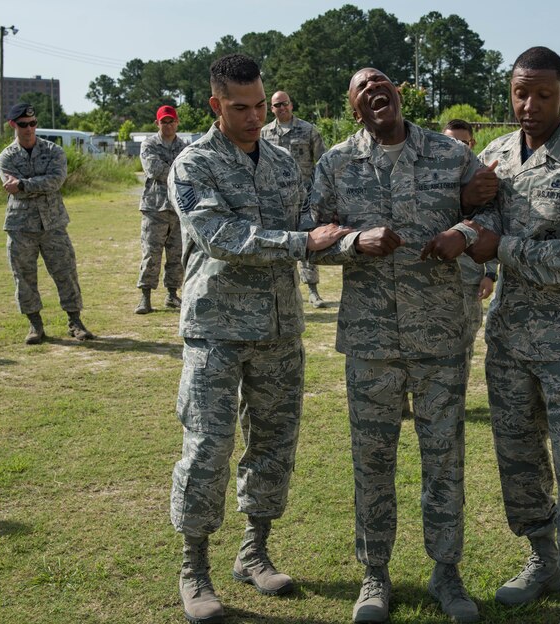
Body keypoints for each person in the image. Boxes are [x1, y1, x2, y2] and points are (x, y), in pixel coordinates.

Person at [166, 54, 352, 624]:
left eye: (258, 104)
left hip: (277, 328)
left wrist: (356, 242)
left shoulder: (281, 162)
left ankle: (254, 550)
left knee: (274, 443)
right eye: (241, 108)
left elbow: (312, 227)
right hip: (216, 329)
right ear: (215, 105)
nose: (254, 117)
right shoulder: (193, 164)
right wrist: (304, 243)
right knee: (209, 446)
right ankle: (194, 566)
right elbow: (222, 236)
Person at [308, 67, 497, 624]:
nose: (373, 90)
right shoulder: (335, 163)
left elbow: (488, 211)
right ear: (354, 107)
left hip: (441, 336)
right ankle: (375, 574)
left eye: (380, 82)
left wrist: (461, 234)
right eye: (361, 87)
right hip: (371, 342)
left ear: (398, 94)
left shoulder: (448, 153)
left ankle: (447, 571)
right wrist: (351, 241)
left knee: (445, 459)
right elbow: (310, 236)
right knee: (372, 461)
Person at [465, 46, 560, 624]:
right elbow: (479, 224)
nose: (528, 106)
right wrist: (471, 229)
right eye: (519, 93)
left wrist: (500, 249)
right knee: (518, 455)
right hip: (508, 335)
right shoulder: (496, 155)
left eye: (542, 95)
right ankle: (543, 557)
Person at [0, 102, 95, 345]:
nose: (29, 129)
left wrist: (23, 184)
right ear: (13, 125)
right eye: (23, 125)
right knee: (24, 276)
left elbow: (56, 181)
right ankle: (35, 325)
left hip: (53, 224)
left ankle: (75, 321)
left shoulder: (54, 151)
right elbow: (13, 187)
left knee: (66, 273)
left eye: (32, 124)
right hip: (21, 227)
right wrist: (26, 186)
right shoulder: (6, 157)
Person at [442, 120, 499, 382]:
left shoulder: (481, 177)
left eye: (462, 142)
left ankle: (458, 396)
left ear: (472, 144)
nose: (456, 147)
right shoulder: (432, 175)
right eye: (450, 141)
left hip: (469, 276)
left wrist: (490, 274)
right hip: (435, 276)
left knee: (465, 340)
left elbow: (493, 226)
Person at [260, 90, 329, 308]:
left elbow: (323, 162)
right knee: (277, 244)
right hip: (274, 200)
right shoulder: (264, 133)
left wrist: (318, 192)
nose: (281, 108)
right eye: (277, 105)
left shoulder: (308, 131)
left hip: (303, 199)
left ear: (291, 105)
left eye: (285, 104)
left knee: (308, 242)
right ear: (271, 109)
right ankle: (280, 293)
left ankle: (313, 290)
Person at [134, 105, 186, 314]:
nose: (168, 124)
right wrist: (177, 169)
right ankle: (145, 297)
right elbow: (153, 169)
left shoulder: (184, 146)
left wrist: (175, 169)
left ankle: (172, 295)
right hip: (155, 207)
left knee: (177, 254)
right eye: (164, 121)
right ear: (157, 123)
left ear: (177, 122)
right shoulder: (149, 144)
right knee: (151, 253)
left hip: (178, 207)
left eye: (171, 120)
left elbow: (191, 170)